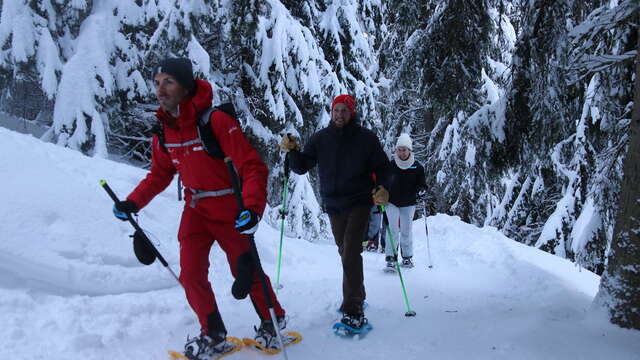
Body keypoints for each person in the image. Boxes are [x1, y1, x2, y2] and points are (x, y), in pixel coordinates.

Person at [112, 58, 286, 359]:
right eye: (156, 83)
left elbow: (252, 167)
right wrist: (132, 202)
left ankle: (273, 320)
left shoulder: (215, 121)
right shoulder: (164, 133)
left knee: (245, 270)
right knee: (191, 274)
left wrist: (253, 209)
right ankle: (213, 334)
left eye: (168, 82)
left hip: (230, 207)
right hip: (195, 209)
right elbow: (159, 175)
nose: (161, 89)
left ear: (185, 84)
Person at [279, 94, 389, 329]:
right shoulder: (321, 139)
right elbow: (302, 166)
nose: (339, 115)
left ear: (352, 113)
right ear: (332, 112)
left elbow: (382, 167)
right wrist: (293, 151)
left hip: (360, 201)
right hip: (333, 204)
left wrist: (382, 187)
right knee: (344, 251)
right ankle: (358, 293)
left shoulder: (365, 139)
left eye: (344, 111)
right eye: (336, 111)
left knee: (350, 252)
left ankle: (354, 308)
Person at [383, 133, 426, 269]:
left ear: (410, 150)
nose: (401, 153)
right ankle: (391, 257)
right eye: (399, 150)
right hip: (392, 202)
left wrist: (422, 190)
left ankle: (407, 257)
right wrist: (380, 191)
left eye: (404, 149)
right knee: (393, 229)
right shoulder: (391, 165)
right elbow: (382, 181)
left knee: (406, 230)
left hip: (408, 203)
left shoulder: (417, 167)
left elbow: (422, 184)